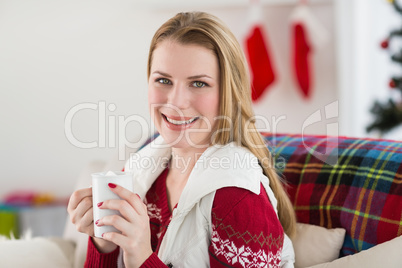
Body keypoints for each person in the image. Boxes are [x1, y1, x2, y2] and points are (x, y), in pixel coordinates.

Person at [67, 11, 297, 268]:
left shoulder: (239, 198)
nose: (175, 102)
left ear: (227, 94)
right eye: (163, 80)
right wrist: (104, 245)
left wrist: (142, 256)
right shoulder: (141, 171)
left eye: (198, 84)